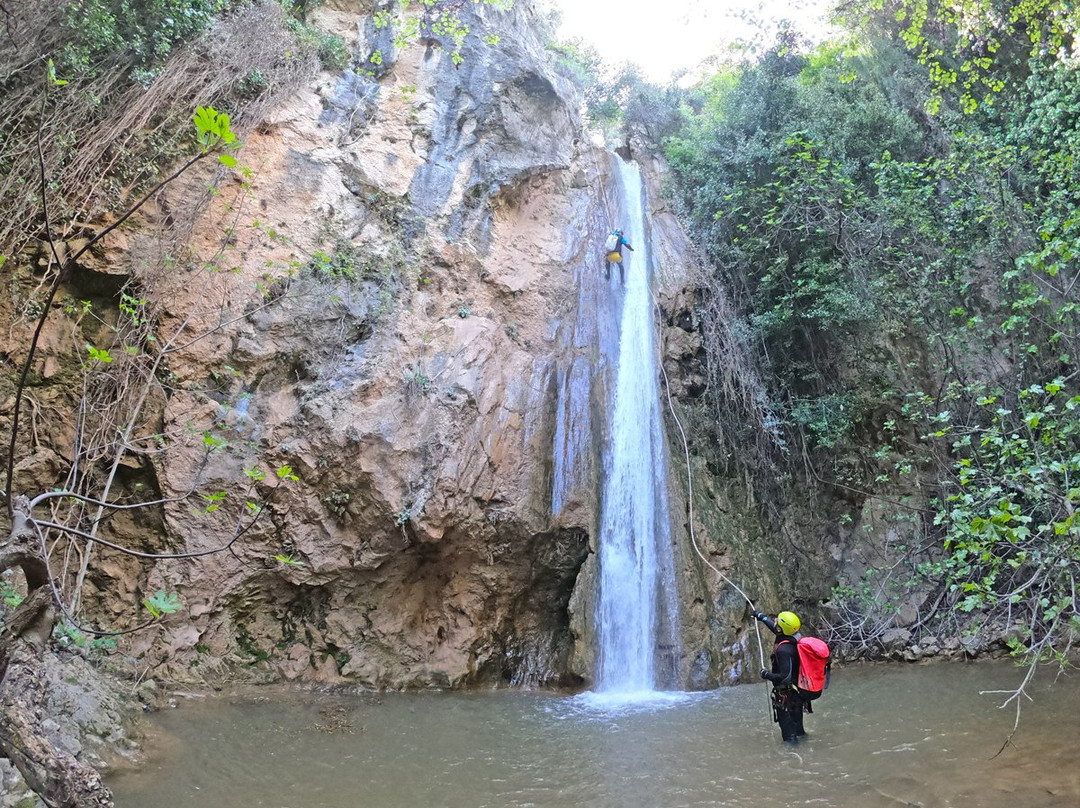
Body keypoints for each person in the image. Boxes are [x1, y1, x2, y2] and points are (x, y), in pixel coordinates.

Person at [753, 609, 807, 743]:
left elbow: (785, 677)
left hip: (786, 695)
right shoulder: (795, 637)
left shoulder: (783, 650)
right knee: (799, 730)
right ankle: (806, 751)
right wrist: (762, 617)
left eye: (776, 621)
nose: (775, 621)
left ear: (781, 628)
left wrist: (767, 675)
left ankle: (792, 759)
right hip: (798, 692)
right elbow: (777, 629)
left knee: (789, 735)